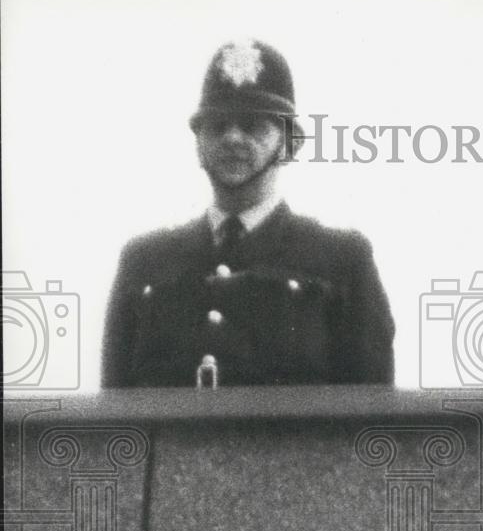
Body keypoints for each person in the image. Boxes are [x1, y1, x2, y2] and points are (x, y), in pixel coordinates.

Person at [102, 39, 394, 388]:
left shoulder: (341, 261)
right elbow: (116, 422)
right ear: (198, 145)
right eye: (218, 126)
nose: (232, 138)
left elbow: (372, 417)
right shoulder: (144, 262)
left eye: (252, 125)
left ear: (288, 145)